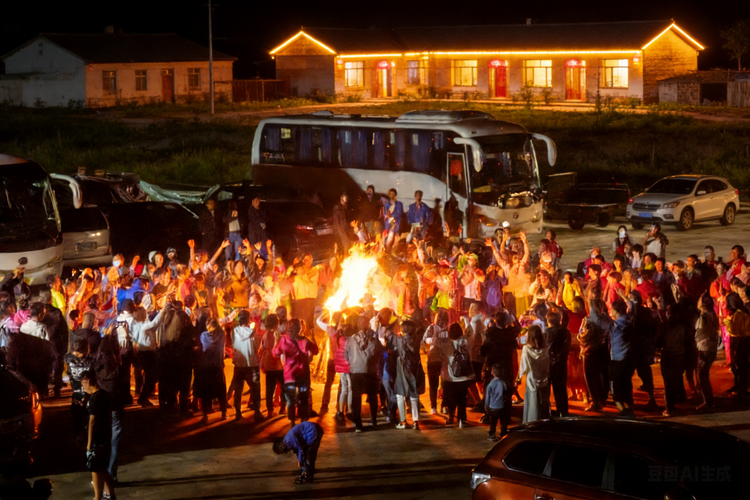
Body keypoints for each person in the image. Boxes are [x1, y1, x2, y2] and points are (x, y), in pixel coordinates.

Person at [273, 318, 319, 426]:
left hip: (289, 374)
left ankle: (292, 422)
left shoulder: (284, 340)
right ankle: (303, 421)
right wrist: (312, 337)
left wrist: (276, 341)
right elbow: (316, 350)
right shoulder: (305, 341)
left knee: (291, 400)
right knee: (304, 399)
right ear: (299, 328)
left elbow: (275, 352)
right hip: (303, 374)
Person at [81, 370, 116, 500]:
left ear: (88, 381)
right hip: (106, 436)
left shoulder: (95, 398)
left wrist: (89, 443)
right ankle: (111, 494)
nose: (83, 387)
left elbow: (92, 421)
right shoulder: (105, 395)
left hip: (97, 438)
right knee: (102, 468)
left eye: (83, 384)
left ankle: (97, 497)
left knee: (95, 469)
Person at [345, 315, 383, 432]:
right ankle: (374, 420)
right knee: (372, 396)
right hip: (370, 371)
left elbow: (346, 356)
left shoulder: (350, 339)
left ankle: (358, 424)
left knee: (356, 398)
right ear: (368, 325)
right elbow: (380, 351)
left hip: (356, 371)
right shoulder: (373, 339)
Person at [437, 322, 475, 427]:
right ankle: (461, 419)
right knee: (462, 398)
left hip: (450, 377)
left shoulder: (446, 344)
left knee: (451, 399)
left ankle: (451, 417)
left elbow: (435, 342)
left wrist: (440, 331)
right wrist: (467, 323)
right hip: (465, 376)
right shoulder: (466, 342)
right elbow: (471, 333)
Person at [388, 319, 422, 430]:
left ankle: (403, 421)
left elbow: (392, 349)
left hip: (402, 368)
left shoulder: (400, 340)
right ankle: (416, 421)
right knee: (414, 394)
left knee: (400, 394)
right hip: (413, 368)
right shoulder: (416, 340)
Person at [231, 310, 263, 422]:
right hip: (252, 364)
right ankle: (257, 412)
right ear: (249, 319)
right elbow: (257, 347)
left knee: (238, 390)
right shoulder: (253, 333)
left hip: (239, 364)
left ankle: (238, 413)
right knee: (255, 388)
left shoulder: (234, 332)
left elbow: (233, 345)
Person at [578, 299, 610, 412]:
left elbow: (581, 336)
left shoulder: (587, 320)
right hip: (600, 350)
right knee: (597, 375)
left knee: (589, 377)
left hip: (589, 350)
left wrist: (581, 337)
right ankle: (601, 399)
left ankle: (595, 402)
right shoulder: (605, 320)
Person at [196, 318, 228, 423]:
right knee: (221, 391)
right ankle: (223, 413)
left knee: (206, 392)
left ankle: (205, 416)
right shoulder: (222, 336)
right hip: (218, 365)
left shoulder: (203, 336)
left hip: (206, 366)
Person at [517, 324, 550, 423]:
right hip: (544, 378)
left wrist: (519, 376)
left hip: (532, 379)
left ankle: (531, 422)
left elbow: (524, 365)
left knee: (532, 403)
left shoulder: (527, 349)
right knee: (543, 402)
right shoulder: (545, 349)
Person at [65, 337, 94, 446]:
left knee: (77, 414)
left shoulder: (69, 360)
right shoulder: (90, 361)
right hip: (87, 392)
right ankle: (87, 436)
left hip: (77, 391)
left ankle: (79, 436)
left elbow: (70, 374)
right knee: (88, 414)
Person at [609, 299, 635, 416]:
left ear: (616, 311)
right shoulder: (631, 321)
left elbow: (597, 319)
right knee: (627, 385)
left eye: (612, 309)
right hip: (628, 359)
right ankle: (630, 409)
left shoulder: (616, 325)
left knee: (616, 388)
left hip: (618, 360)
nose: (611, 311)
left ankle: (624, 411)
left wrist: (590, 300)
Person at [659, 303, 686, 417]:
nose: (668, 314)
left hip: (669, 356)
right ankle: (679, 399)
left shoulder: (666, 327)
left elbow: (659, 342)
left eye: (669, 312)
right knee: (676, 379)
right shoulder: (683, 326)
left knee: (668, 383)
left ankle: (669, 408)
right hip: (679, 355)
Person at [695, 294, 719, 410]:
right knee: (704, 375)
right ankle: (708, 399)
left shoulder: (704, 317)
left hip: (705, 348)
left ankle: (708, 402)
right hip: (710, 347)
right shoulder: (712, 314)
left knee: (702, 375)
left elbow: (700, 333)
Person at [724, 292, 750, 398]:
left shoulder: (738, 315)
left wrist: (726, 321)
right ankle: (740, 385)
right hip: (745, 340)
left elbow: (735, 330)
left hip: (740, 341)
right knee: (742, 365)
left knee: (740, 365)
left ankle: (742, 389)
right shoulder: (744, 311)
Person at [544, 310, 570, 417]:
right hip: (561, 364)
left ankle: (546, 413)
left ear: (548, 321)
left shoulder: (545, 333)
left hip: (547, 365)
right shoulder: (565, 332)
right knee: (561, 390)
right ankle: (563, 413)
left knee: (546, 391)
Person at [259, 314, 285, 418]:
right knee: (283, 386)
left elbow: (261, 349)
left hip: (268, 364)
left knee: (269, 388)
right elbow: (276, 349)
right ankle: (282, 408)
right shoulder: (275, 334)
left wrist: (262, 362)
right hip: (277, 364)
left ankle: (270, 410)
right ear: (275, 324)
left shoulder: (265, 334)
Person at [485, 363, 511, 441]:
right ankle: (503, 434)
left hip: (493, 407)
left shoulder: (490, 384)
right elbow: (506, 393)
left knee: (493, 422)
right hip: (502, 406)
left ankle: (492, 435)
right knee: (503, 421)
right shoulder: (503, 383)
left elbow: (487, 397)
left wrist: (486, 406)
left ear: (492, 372)